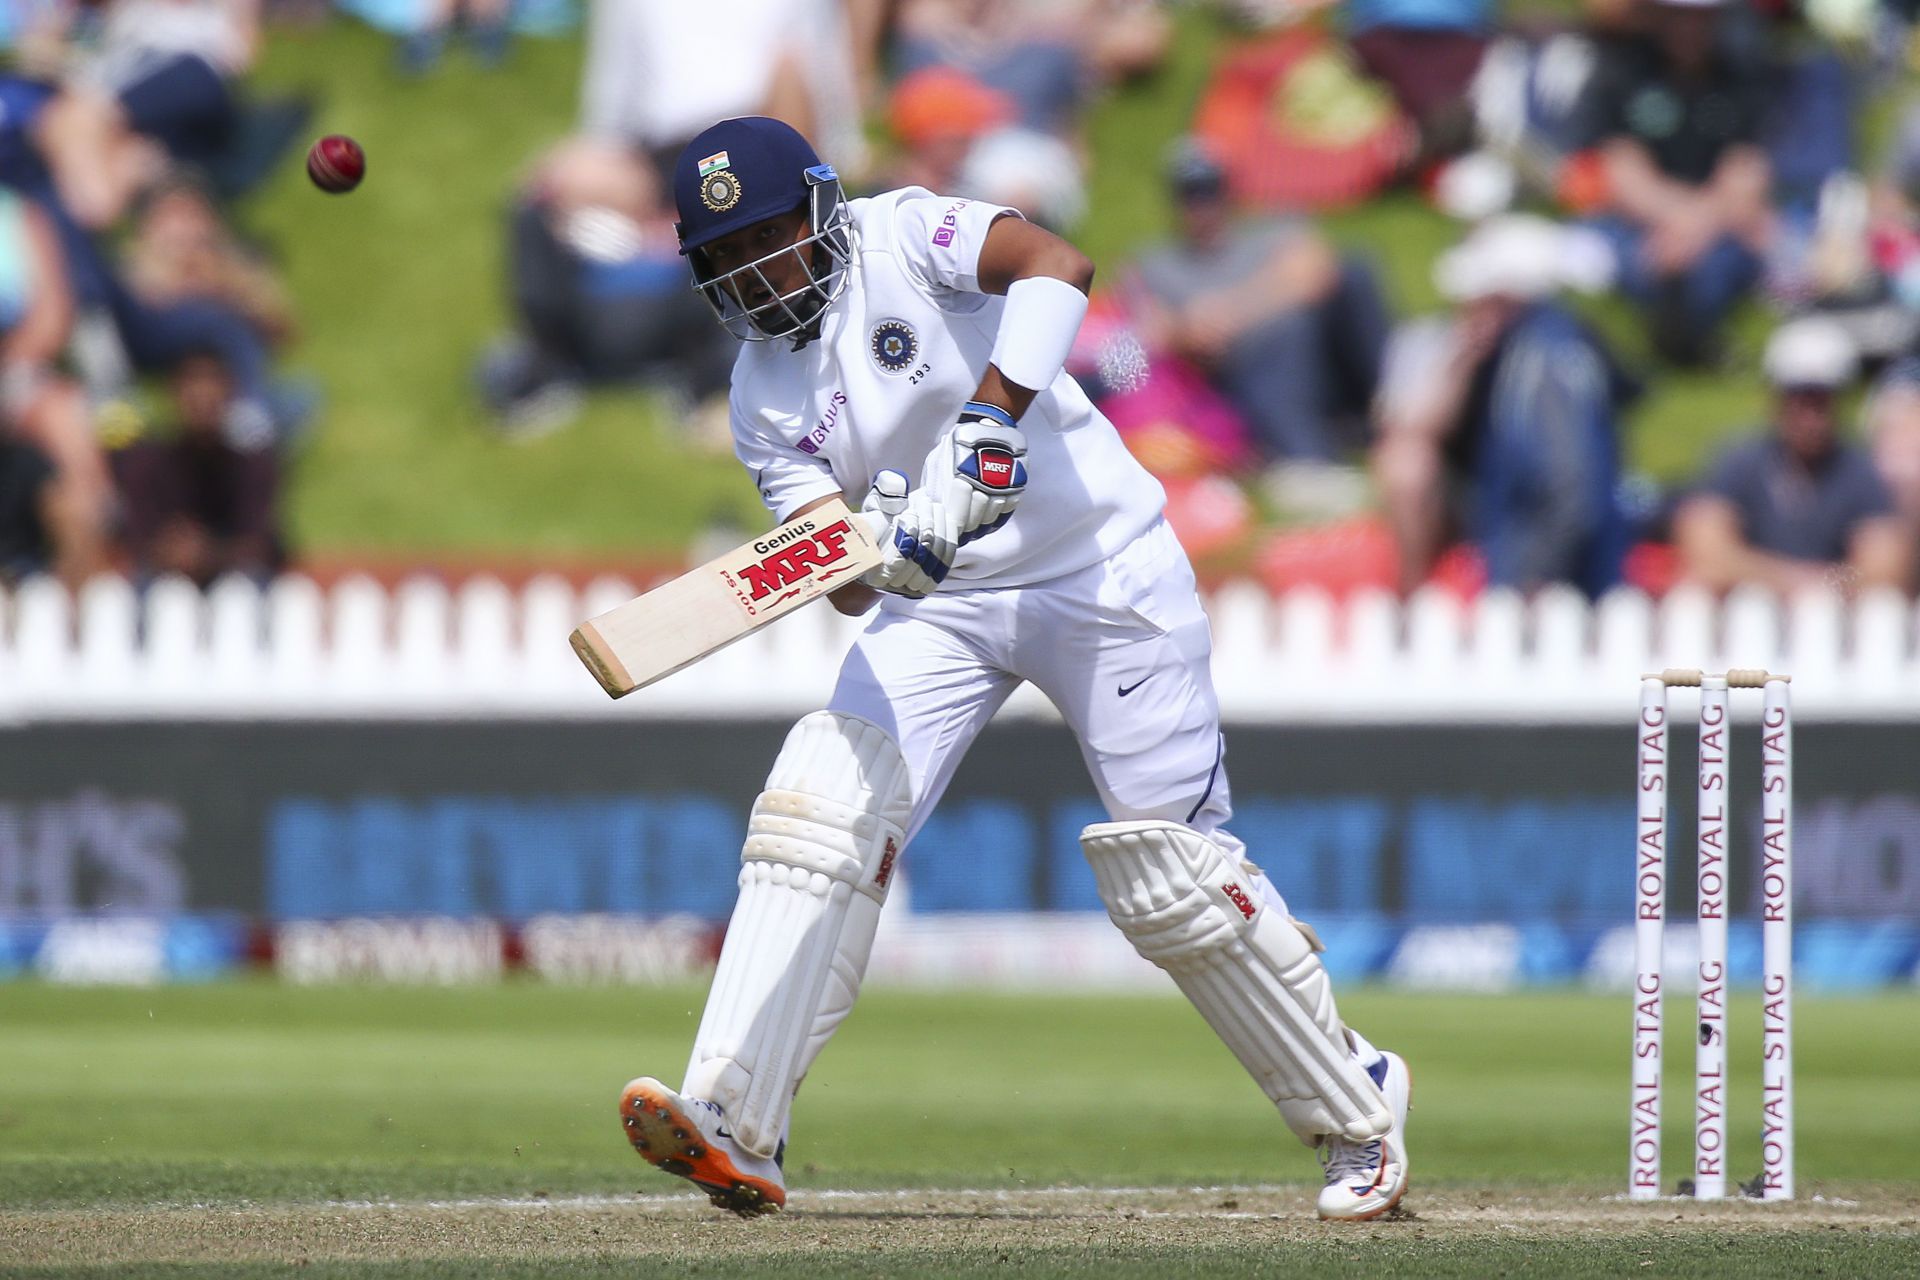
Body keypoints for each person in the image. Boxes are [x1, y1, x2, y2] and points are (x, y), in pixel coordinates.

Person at [612, 116, 1411, 1223]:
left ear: (817, 211)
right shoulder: (764, 396)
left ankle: (1357, 1103)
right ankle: (735, 1114)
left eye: (768, 238)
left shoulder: (905, 235)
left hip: (1100, 566)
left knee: (1174, 870)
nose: (757, 271)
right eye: (727, 258)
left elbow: (1056, 264)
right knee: (819, 806)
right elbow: (835, 578)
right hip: (946, 606)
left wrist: (990, 422)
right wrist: (878, 546)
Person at [1372, 215, 1633, 596]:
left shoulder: (1546, 358)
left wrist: (1533, 573)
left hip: (1543, 568)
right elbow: (1407, 433)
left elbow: (1570, 484)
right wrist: (1461, 360)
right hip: (1500, 526)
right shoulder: (1532, 350)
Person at [1126, 138, 1388, 467]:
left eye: (1211, 190)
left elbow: (1318, 272)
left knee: (1353, 272)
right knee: (1285, 330)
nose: (1203, 205)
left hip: (1319, 358)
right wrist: (1188, 332)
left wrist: (1231, 312)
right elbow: (1143, 335)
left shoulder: (1268, 232)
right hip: (1236, 378)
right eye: (1191, 194)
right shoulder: (1158, 265)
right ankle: (1306, 457)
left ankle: (1391, 409)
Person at [1578, 0, 1770, 365]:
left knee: (1730, 262)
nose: (1690, 26)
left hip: (1716, 226)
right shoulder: (1624, 71)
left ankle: (1693, 341)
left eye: (1701, 16)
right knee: (1620, 259)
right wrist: (1677, 220)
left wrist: (1694, 228)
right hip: (1641, 222)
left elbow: (1746, 170)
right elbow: (1620, 167)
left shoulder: (1742, 76)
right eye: (1681, 15)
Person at [1673, 317, 1911, 595]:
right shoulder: (1739, 461)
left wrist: (1822, 583)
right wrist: (1789, 580)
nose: (1810, 416)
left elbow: (1883, 569)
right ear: (1775, 398)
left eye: (1821, 400)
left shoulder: (1859, 472)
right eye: (1799, 398)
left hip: (1832, 621)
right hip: (1750, 614)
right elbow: (1706, 553)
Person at [111, 349, 284, 585]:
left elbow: (264, 543)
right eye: (192, 383)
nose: (202, 395)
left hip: (234, 589)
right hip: (163, 587)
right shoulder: (144, 464)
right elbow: (135, 540)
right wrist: (172, 553)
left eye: (212, 382)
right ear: (173, 393)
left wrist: (207, 555)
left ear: (231, 392)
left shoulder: (253, 466)